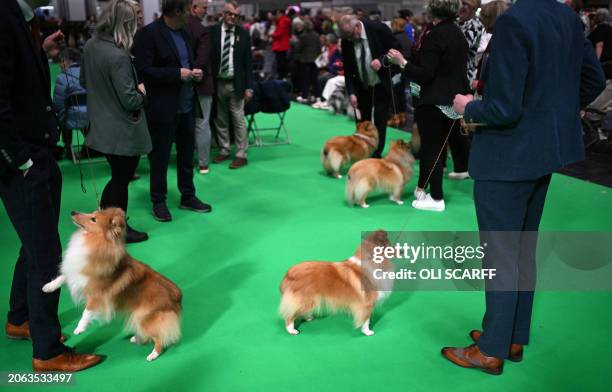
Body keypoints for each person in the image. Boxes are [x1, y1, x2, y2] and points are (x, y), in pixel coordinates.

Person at [449, 0, 605, 375]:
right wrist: (551, 110)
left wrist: (468, 106)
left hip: (508, 156)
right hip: (543, 152)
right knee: (520, 251)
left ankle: (490, 350)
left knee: (501, 255)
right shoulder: (567, 16)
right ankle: (509, 336)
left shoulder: (514, 21)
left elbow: (502, 109)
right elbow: (594, 81)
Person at [1, 0, 101, 371]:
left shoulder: (20, 16)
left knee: (34, 246)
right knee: (45, 255)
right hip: (25, 158)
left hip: (36, 150)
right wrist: (20, 159)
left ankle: (20, 319)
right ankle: (48, 353)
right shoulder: (5, 13)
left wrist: (39, 53)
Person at [387, 0, 470, 212]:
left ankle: (436, 198)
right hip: (453, 100)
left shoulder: (434, 35)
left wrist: (402, 63)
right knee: (436, 147)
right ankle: (422, 189)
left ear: (432, 10)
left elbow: (425, 74)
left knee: (431, 149)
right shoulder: (458, 32)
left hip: (433, 100)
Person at [134, 0, 212, 222]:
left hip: (186, 106)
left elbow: (185, 62)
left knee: (187, 156)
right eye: (188, 9)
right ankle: (158, 201)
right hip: (162, 109)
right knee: (159, 158)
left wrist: (194, 73)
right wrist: (176, 74)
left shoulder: (185, 32)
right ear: (176, 11)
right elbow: (144, 71)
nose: (191, 14)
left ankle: (188, 195)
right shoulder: (148, 34)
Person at [81, 0, 151, 243]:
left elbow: (83, 81)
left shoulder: (90, 46)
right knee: (120, 180)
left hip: (99, 126)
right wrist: (142, 91)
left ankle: (104, 227)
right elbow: (131, 100)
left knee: (117, 178)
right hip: (121, 131)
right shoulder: (118, 55)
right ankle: (116, 230)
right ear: (125, 23)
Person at [338, 14, 400, 158]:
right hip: (361, 85)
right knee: (362, 122)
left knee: (380, 119)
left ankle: (376, 153)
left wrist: (381, 60)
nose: (350, 40)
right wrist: (352, 92)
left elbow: (397, 48)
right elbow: (348, 69)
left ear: (357, 26)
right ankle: (362, 151)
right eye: (347, 38)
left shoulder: (378, 28)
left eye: (351, 36)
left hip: (381, 82)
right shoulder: (346, 39)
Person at [210, 0, 253, 170]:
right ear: (223, 13)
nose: (233, 17)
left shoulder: (243, 33)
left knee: (238, 120)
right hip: (217, 82)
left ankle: (242, 154)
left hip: (237, 83)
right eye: (230, 14)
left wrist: (249, 87)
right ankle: (224, 149)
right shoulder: (212, 31)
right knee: (220, 119)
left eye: (236, 15)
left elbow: (248, 63)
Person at [186, 0, 213, 175]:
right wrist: (194, 71)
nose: (206, 11)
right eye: (204, 8)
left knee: (184, 125)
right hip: (201, 84)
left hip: (181, 82)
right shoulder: (202, 31)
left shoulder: (178, 29)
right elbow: (202, 59)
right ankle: (203, 163)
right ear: (194, 8)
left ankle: (185, 160)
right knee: (202, 124)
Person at [53, 48, 88, 161]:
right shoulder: (90, 74)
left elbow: (58, 104)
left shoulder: (62, 77)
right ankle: (91, 146)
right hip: (94, 116)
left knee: (64, 115)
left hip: (71, 118)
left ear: (65, 61)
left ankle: (68, 146)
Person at [472, 0, 509, 96]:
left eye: (483, 18)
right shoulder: (497, 39)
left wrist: (481, 85)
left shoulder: (500, 43)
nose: (481, 21)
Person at [458, 0, 485, 85]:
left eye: (465, 4)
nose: (461, 6)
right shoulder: (458, 22)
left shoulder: (475, 25)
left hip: (464, 75)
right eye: (461, 3)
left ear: (473, 8)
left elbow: (461, 46)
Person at [295, 21, 321, 103]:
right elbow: (319, 48)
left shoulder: (303, 36)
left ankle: (305, 96)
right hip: (315, 60)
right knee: (315, 79)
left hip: (305, 60)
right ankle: (317, 96)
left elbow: (299, 48)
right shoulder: (317, 35)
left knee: (305, 79)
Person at [271, 9, 291, 79]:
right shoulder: (283, 21)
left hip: (280, 46)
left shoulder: (282, 22)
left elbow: (279, 33)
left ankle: (282, 77)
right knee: (282, 62)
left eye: (277, 14)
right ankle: (283, 76)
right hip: (283, 45)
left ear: (280, 13)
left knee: (281, 63)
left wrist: (271, 35)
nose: (276, 16)